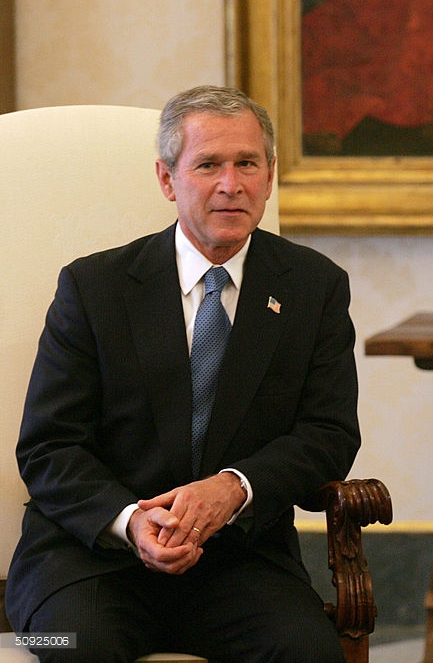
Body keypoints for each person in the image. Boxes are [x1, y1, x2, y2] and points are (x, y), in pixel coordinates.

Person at [6, 85, 359, 662]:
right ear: (168, 180)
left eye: (247, 163)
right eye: (208, 165)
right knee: (67, 647)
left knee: (310, 652)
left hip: (239, 562)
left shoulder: (312, 287)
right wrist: (130, 522)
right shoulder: (94, 287)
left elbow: (329, 433)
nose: (231, 184)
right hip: (90, 558)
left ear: (269, 175)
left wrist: (233, 488)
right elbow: (49, 446)